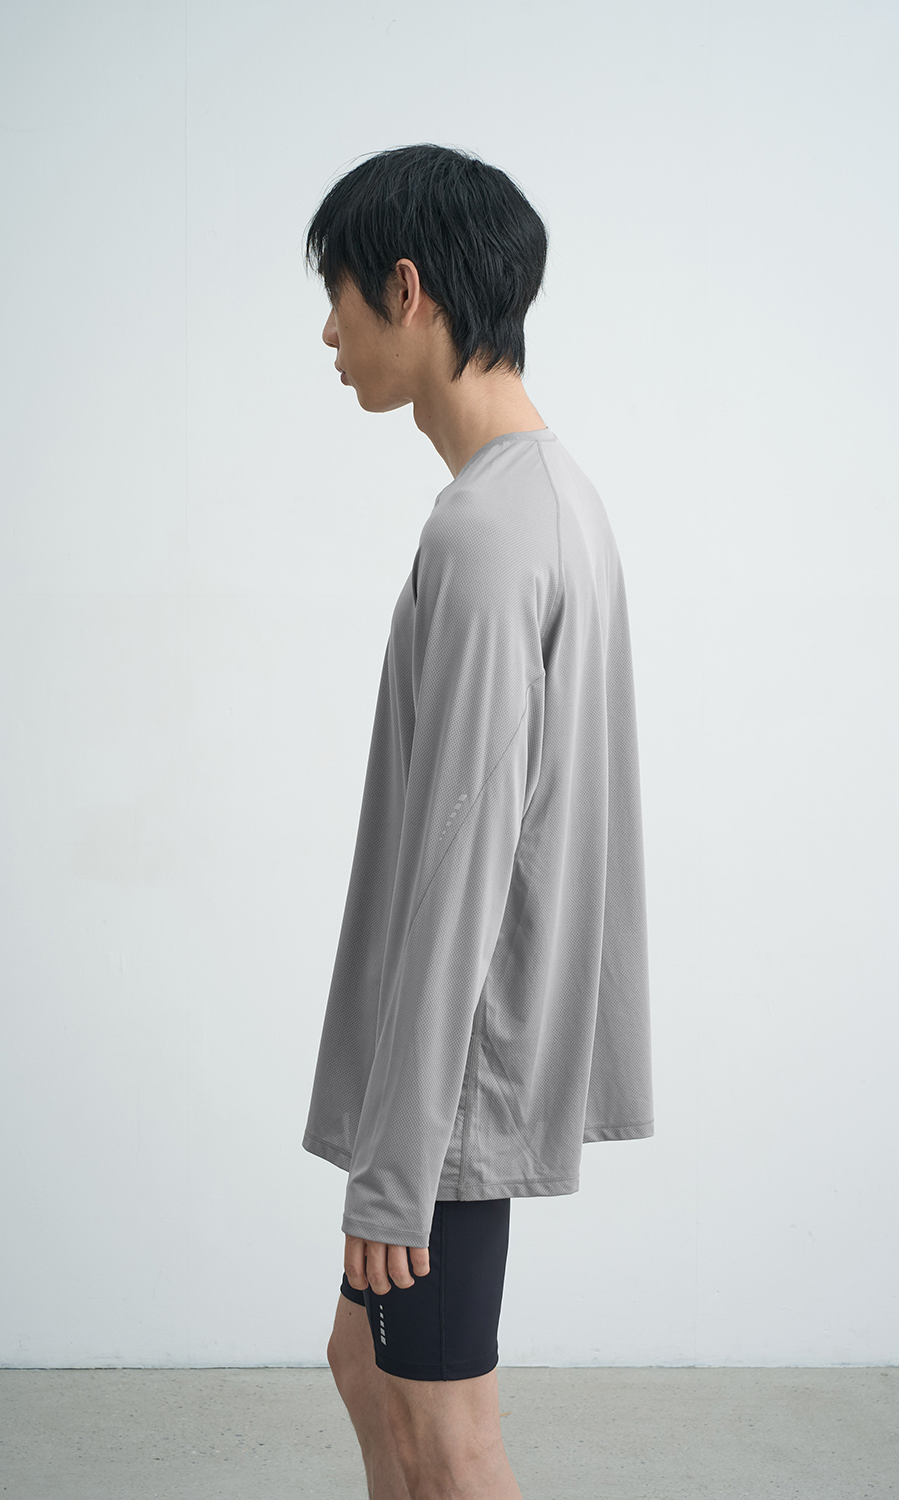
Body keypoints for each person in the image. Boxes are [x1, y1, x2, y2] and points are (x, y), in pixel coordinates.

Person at [300, 143, 654, 1500]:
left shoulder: (491, 534)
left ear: (406, 289)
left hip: (449, 1081)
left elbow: (463, 861)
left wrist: (396, 1165)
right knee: (364, 1366)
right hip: (453, 1062)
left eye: (337, 299)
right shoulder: (544, 498)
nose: (328, 336)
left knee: (452, 1439)